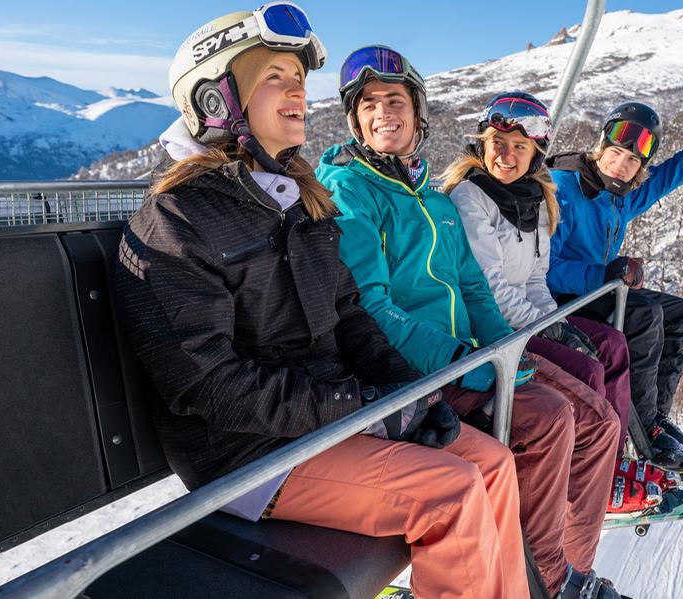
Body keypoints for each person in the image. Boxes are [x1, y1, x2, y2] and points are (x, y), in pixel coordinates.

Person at [112, 6, 527, 597]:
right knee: (450, 493)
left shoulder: (301, 204)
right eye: (276, 76)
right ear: (216, 102)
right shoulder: (177, 222)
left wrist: (411, 392)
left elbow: (353, 315)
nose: (299, 93)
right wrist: (360, 406)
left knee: (490, 463)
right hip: (251, 455)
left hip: (325, 426)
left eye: (300, 80)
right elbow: (208, 384)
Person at [317, 46, 622, 599]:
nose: (383, 111)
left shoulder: (430, 200)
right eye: (369, 104)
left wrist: (506, 353)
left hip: (468, 356)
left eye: (395, 100)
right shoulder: (352, 191)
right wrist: (468, 365)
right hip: (416, 369)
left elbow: (477, 289)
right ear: (355, 120)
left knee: (595, 418)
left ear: (418, 114)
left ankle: (564, 565)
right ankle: (548, 580)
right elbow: (372, 307)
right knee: (552, 419)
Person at [546, 90, 683, 475]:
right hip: (558, 297)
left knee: (681, 315)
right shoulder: (565, 188)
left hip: (597, 290)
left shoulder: (618, 197)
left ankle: (657, 418)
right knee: (645, 314)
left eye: (632, 160)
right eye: (614, 153)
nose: (620, 165)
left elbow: (671, 174)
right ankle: (645, 432)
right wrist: (603, 274)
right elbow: (541, 267)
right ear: (600, 148)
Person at [443, 92, 633, 452]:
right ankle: (585, 471)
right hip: (492, 324)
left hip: (524, 319)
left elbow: (534, 280)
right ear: (483, 145)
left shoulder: (537, 202)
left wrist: (557, 323)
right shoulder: (470, 196)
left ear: (534, 155)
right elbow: (491, 288)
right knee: (586, 370)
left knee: (610, 345)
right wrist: (549, 328)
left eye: (519, 146)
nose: (505, 155)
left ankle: (615, 458)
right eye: (497, 143)